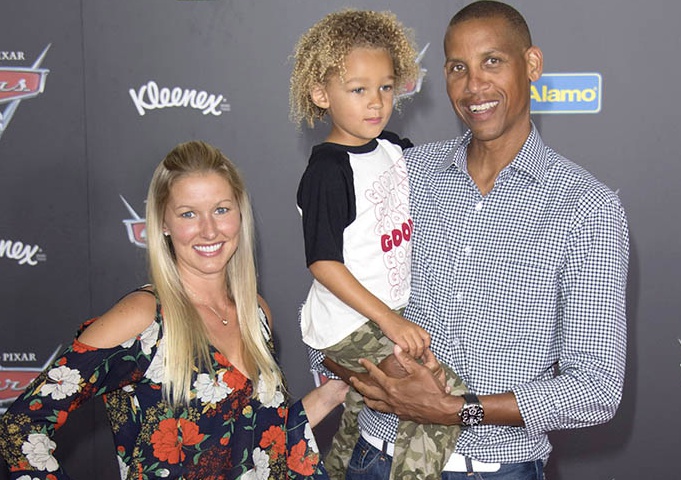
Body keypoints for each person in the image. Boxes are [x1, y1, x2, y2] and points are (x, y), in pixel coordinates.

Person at [339, 1, 630, 479]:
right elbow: (332, 307)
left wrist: (457, 409)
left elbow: (595, 388)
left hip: (491, 469)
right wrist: (379, 380)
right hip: (374, 457)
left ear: (531, 65)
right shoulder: (405, 175)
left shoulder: (587, 208)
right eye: (458, 68)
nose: (474, 86)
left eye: (492, 61)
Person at [0, 140, 348, 479]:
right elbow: (21, 426)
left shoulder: (256, 313)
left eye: (221, 209)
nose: (209, 229)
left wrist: (335, 391)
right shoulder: (144, 318)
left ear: (240, 214)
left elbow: (257, 442)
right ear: (164, 223)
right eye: (188, 214)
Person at [289, 9, 467, 480]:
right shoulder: (328, 171)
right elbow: (323, 263)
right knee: (439, 393)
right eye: (358, 89)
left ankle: (340, 466)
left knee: (361, 408)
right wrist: (390, 320)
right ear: (321, 94)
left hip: (375, 318)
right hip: (348, 324)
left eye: (386, 87)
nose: (376, 102)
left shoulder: (389, 149)